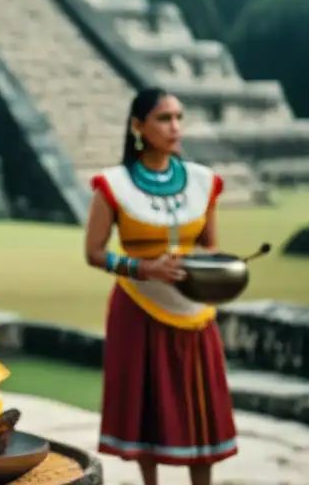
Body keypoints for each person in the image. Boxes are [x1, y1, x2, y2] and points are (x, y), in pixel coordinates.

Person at [85, 87, 237, 485]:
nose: (174, 127)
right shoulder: (113, 185)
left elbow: (210, 247)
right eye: (164, 118)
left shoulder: (204, 182)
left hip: (193, 309)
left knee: (199, 409)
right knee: (147, 405)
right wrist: (143, 268)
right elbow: (94, 253)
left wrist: (219, 271)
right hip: (138, 307)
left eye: (178, 118)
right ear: (138, 127)